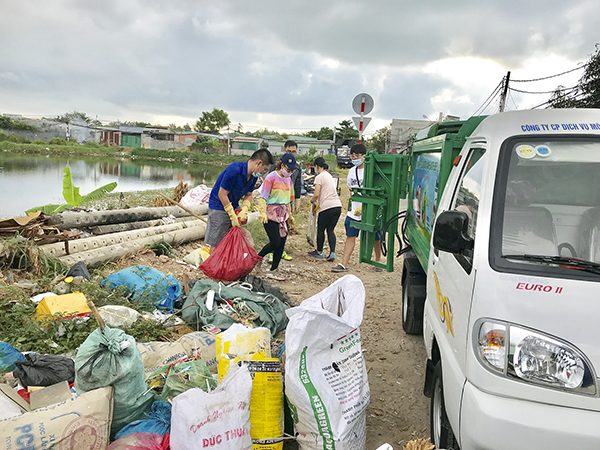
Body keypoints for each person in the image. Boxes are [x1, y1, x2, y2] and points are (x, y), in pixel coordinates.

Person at [205, 148, 274, 250]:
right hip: (219, 206)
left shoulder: (253, 177)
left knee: (232, 239)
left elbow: (249, 194)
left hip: (234, 204)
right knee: (217, 242)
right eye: (264, 169)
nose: (263, 173)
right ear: (258, 163)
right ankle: (213, 265)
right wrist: (231, 215)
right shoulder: (235, 169)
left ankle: (227, 264)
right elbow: (222, 194)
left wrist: (244, 209)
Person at [331, 143, 382, 273]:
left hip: (370, 210)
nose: (354, 158)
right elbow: (351, 190)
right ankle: (344, 263)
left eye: (357, 155)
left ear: (364, 156)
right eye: (352, 156)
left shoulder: (372, 170)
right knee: (350, 235)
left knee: (375, 236)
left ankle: (377, 261)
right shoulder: (351, 171)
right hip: (355, 210)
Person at [257, 153, 299, 281]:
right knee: (275, 242)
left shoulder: (289, 180)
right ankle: (257, 258)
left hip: (282, 213)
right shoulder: (271, 177)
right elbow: (262, 197)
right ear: (282, 165)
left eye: (292, 170)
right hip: (270, 213)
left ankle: (273, 270)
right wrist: (263, 212)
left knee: (282, 243)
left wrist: (290, 216)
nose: (290, 172)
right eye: (288, 169)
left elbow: (287, 201)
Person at [264, 140, 300, 262]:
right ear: (284, 150)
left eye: (294, 151)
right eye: (289, 151)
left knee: (284, 230)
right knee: (274, 233)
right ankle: (270, 253)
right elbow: (268, 186)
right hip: (274, 204)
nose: (291, 153)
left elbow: (297, 185)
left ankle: (280, 251)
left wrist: (297, 200)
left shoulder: (297, 168)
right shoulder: (276, 167)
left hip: (287, 201)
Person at [307, 157, 342, 261]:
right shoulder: (329, 175)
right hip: (337, 206)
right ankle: (332, 253)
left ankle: (319, 251)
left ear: (317, 166)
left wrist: (312, 201)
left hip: (327, 206)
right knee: (330, 230)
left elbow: (316, 194)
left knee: (321, 229)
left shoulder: (320, 177)